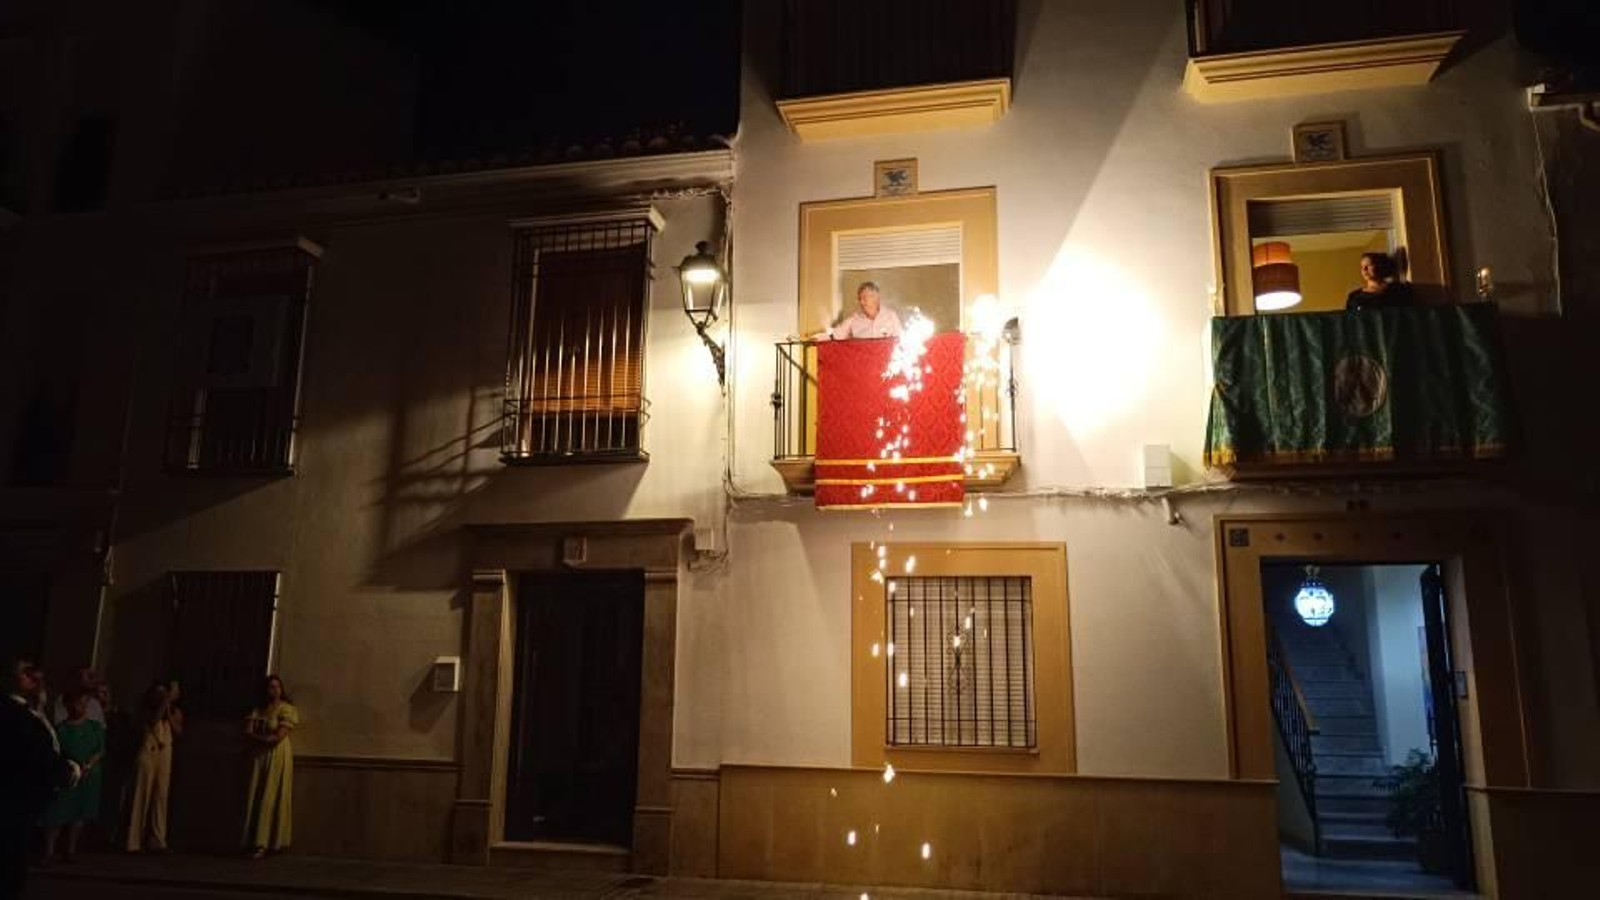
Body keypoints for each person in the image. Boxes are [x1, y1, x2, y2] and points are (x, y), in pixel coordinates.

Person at [2, 657, 78, 899]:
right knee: (10, 867)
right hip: (13, 802)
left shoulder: (31, 712)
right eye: (26, 673)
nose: (35, 678)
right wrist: (66, 770)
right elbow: (35, 752)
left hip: (24, 803)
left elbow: (48, 743)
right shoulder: (12, 713)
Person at [42, 688, 106, 864]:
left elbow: (100, 749)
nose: (82, 707)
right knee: (57, 813)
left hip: (88, 774)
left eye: (85, 703)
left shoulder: (94, 727)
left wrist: (88, 765)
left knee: (79, 814)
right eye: (78, 703)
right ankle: (49, 852)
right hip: (67, 774)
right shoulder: (60, 729)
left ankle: (70, 850)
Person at [242, 675, 298, 859]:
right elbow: (247, 731)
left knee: (270, 794)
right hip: (259, 757)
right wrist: (259, 738)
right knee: (256, 793)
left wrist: (257, 738)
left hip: (276, 756)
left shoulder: (287, 709)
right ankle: (253, 839)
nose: (273, 690)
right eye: (270, 687)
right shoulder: (258, 709)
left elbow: (276, 737)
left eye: (277, 687)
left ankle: (266, 841)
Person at [124, 681, 180, 852]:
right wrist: (163, 704)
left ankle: (157, 840)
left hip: (165, 753)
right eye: (159, 694)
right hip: (148, 750)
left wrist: (169, 711)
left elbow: (178, 730)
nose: (163, 697)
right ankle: (133, 841)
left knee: (160, 796)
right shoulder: (145, 712)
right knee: (142, 794)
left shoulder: (173, 712)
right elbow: (152, 720)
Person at [824, 282, 904, 340]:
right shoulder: (854, 319)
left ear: (876, 297)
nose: (861, 302)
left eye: (864, 298)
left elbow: (900, 341)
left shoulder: (891, 316)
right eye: (860, 299)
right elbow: (835, 335)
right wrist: (816, 338)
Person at [1346, 251, 1416, 311]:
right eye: (1362, 267)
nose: (1364, 269)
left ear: (1379, 265)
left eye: (1369, 265)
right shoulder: (1354, 297)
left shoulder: (1398, 289)